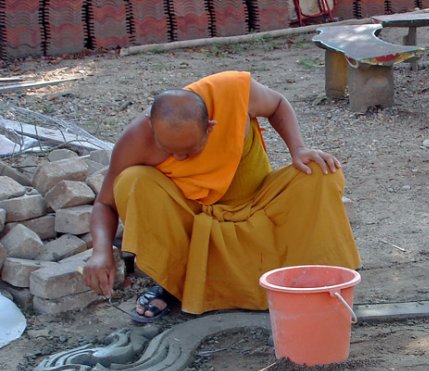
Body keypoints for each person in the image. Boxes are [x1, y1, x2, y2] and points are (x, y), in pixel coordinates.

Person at [82, 71, 361, 322]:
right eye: (169, 150)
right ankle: (175, 286)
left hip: (259, 204)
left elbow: (277, 104)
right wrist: (101, 251)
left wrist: (297, 148)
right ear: (152, 128)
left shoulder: (232, 92)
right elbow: (105, 203)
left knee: (321, 173)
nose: (179, 157)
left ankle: (307, 278)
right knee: (133, 182)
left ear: (211, 127)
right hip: (197, 220)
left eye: (189, 151)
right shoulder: (136, 139)